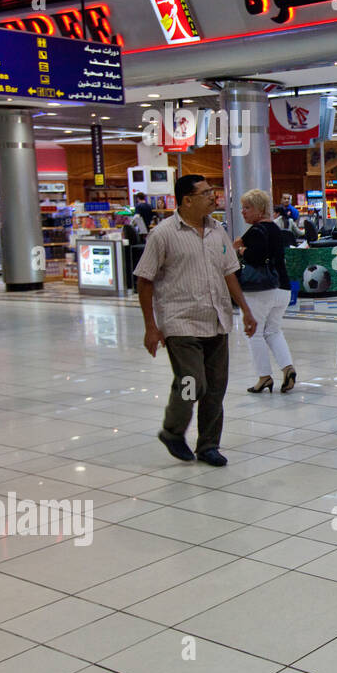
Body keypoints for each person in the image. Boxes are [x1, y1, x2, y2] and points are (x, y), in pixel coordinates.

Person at [134, 175, 257, 467]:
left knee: (215, 388)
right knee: (192, 382)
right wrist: (151, 327)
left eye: (213, 192)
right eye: (206, 193)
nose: (214, 197)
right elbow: (144, 280)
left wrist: (245, 309)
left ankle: (208, 446)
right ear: (187, 200)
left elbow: (229, 272)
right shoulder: (163, 234)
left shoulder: (218, 233)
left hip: (216, 320)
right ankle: (173, 430)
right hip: (181, 322)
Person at [233, 189, 297, 394]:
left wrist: (240, 249)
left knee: (255, 332)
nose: (243, 212)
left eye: (247, 207)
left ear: (260, 209)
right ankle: (288, 367)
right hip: (283, 288)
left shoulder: (256, 231)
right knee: (273, 330)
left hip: (261, 289)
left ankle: (264, 376)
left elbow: (255, 257)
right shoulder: (276, 229)